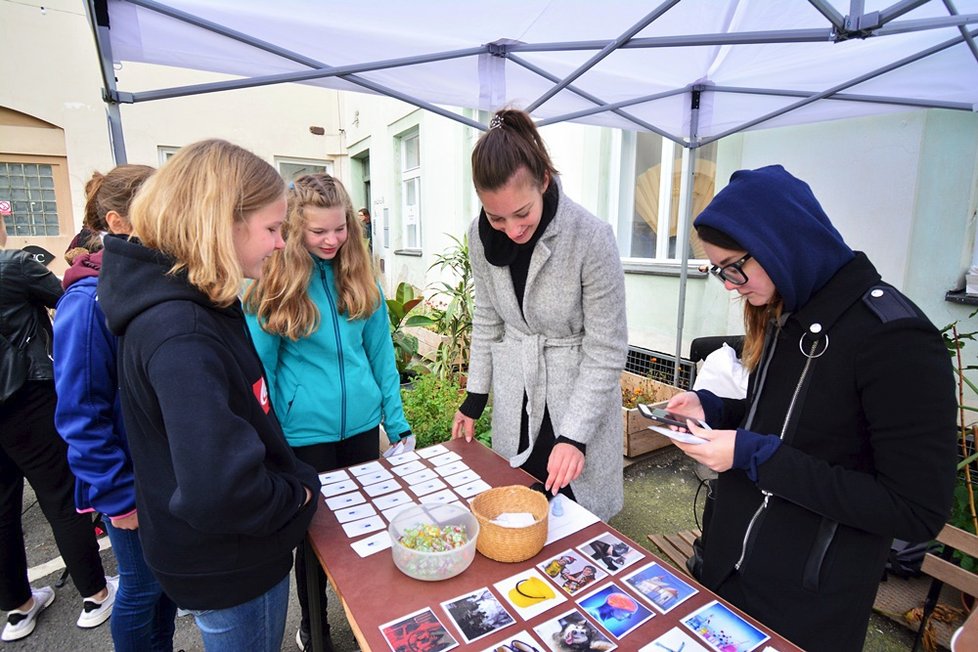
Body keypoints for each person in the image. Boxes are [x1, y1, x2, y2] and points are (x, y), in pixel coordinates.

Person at [665, 164, 957, 651]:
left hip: (805, 605)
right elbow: (779, 421)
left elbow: (914, 510)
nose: (730, 284)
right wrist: (711, 408)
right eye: (719, 271)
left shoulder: (895, 338)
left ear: (782, 242)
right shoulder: (786, 309)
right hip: (725, 568)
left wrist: (756, 456)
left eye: (735, 267)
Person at [98, 139, 320, 652]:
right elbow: (220, 490)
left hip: (215, 552)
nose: (280, 243)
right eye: (271, 228)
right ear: (220, 223)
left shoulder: (185, 302)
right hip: (231, 562)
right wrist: (298, 494)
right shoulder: (182, 332)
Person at [244, 173, 412, 651]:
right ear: (295, 228)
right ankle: (313, 626)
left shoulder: (360, 276)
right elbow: (262, 373)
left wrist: (396, 423)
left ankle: (368, 618)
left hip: (362, 431)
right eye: (319, 232)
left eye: (339, 229)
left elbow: (381, 357)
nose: (332, 240)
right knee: (313, 542)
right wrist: (272, 441)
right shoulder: (272, 284)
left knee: (367, 532)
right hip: (302, 437)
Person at [450, 108, 628, 522]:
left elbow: (606, 348)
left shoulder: (590, 236)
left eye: (522, 213)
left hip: (575, 397)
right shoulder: (480, 237)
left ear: (544, 181)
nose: (511, 230)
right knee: (518, 514)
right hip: (518, 394)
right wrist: (475, 398)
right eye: (496, 216)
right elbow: (487, 316)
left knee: (578, 525)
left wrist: (575, 436)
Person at [53, 164, 179, 652]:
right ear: (118, 222)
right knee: (141, 588)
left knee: (163, 585)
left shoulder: (144, 285)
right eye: (159, 210)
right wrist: (117, 497)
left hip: (158, 473)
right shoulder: (87, 302)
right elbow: (79, 417)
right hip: (126, 484)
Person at [1, 213, 117, 642]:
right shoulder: (13, 265)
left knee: (2, 509)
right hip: (26, 396)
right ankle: (95, 593)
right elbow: (64, 294)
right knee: (60, 497)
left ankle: (18, 606)